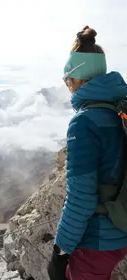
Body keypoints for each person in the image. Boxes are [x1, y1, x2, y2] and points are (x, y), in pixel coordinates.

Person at [49, 26, 127, 280]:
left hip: (99, 239)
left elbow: (80, 197)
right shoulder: (118, 112)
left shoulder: (84, 122)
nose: (67, 86)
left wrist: (60, 252)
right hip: (120, 231)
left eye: (66, 79)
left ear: (76, 78)